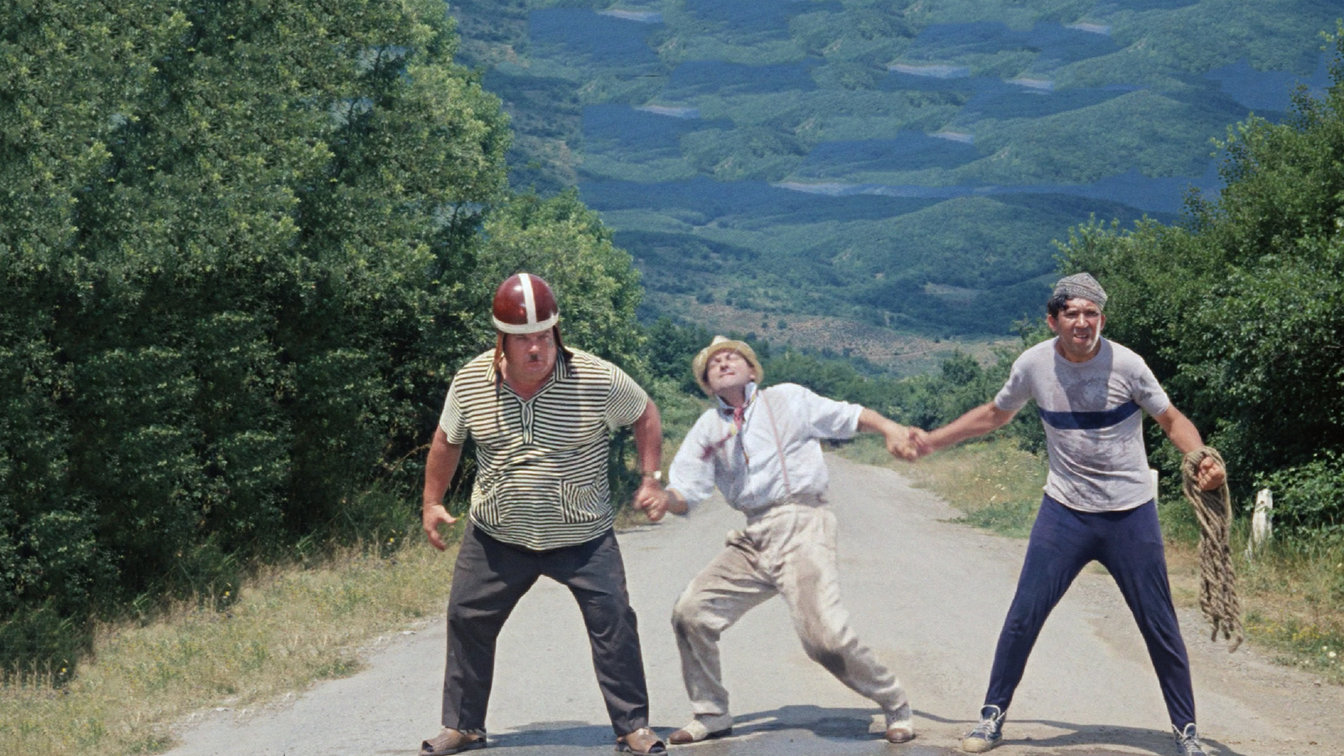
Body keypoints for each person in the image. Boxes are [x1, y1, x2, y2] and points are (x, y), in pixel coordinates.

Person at [910, 273, 1226, 756]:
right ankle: (991, 717)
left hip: (1129, 513)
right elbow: (995, 414)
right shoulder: (1033, 365)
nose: (1082, 322)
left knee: (1159, 624)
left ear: (1102, 319)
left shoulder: (1128, 365)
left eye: (1091, 313)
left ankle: (1186, 732)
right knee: (1024, 615)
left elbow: (1171, 419)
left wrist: (1201, 458)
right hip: (1064, 512)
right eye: (1072, 313)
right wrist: (935, 441)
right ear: (1053, 320)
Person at [419, 272, 670, 756]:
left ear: (556, 331)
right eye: (523, 339)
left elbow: (645, 413)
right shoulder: (471, 381)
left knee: (614, 620)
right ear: (502, 341)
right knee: (466, 618)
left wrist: (650, 478)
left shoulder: (595, 377)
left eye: (544, 336)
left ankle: (633, 727)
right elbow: (447, 439)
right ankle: (463, 726)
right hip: (498, 534)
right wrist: (432, 503)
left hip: (583, 535)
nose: (536, 348)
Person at [655, 335, 921, 746]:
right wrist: (663, 500)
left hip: (802, 521)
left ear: (752, 370)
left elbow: (848, 416)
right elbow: (686, 489)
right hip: (754, 532)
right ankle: (711, 713)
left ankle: (894, 702)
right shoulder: (708, 428)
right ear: (706, 383)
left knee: (823, 640)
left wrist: (890, 428)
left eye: (733, 357)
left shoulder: (788, 399)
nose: (723, 363)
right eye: (713, 363)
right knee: (691, 611)